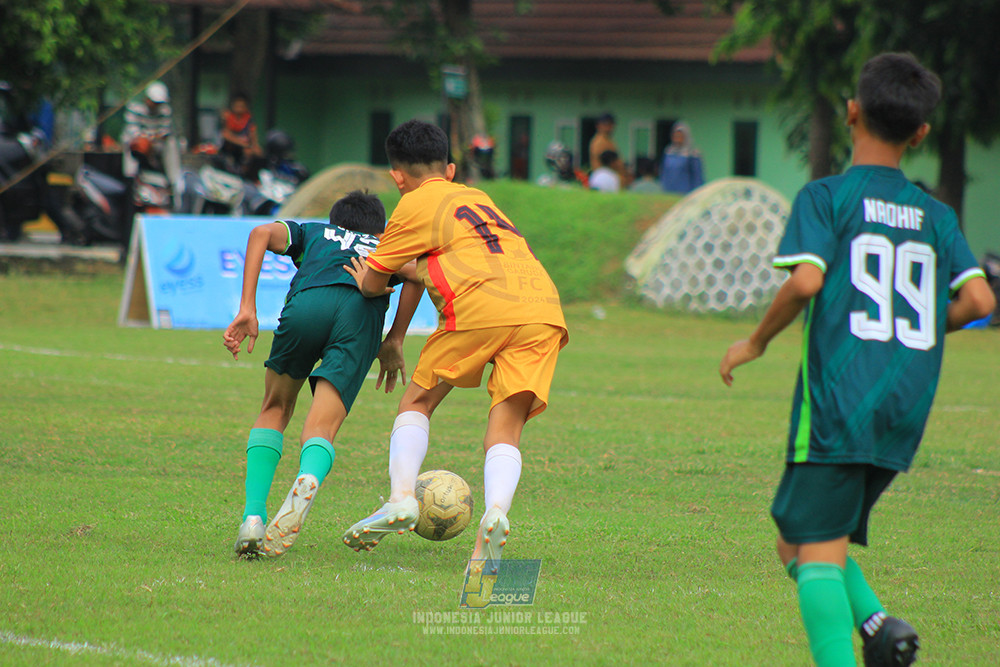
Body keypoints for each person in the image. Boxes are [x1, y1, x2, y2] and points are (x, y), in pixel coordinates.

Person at [719, 53, 995, 667]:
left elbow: (805, 283)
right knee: (799, 540)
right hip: (904, 406)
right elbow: (978, 299)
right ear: (920, 134)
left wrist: (755, 342)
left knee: (810, 550)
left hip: (843, 398)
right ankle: (878, 629)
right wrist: (923, 321)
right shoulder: (936, 215)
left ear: (851, 112)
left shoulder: (827, 197)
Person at [340, 120, 568, 575]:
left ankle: (402, 498)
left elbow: (372, 282)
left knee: (418, 400)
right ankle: (496, 513)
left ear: (397, 177)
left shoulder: (412, 205)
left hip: (481, 306)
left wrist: (366, 276)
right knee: (506, 426)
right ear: (449, 168)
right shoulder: (477, 198)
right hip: (542, 307)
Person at [225, 190, 424, 559]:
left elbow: (259, 234)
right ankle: (310, 476)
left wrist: (247, 307)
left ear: (336, 219)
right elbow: (417, 273)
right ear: (377, 227)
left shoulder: (315, 232)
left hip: (307, 304)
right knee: (321, 427)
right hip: (359, 313)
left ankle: (253, 516)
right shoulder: (383, 246)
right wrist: (394, 338)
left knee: (275, 407)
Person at [218, 92, 262, 177]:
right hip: (229, 147)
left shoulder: (248, 118)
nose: (239, 109)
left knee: (254, 153)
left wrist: (254, 146)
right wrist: (243, 144)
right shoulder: (228, 117)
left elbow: (252, 133)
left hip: (243, 147)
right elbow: (226, 135)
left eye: (242, 106)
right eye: (237, 106)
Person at [659, 121, 703, 194]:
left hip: (685, 193)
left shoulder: (693, 154)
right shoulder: (669, 152)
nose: (677, 139)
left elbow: (697, 177)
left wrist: (696, 193)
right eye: (675, 136)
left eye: (680, 136)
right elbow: (664, 173)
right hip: (668, 191)